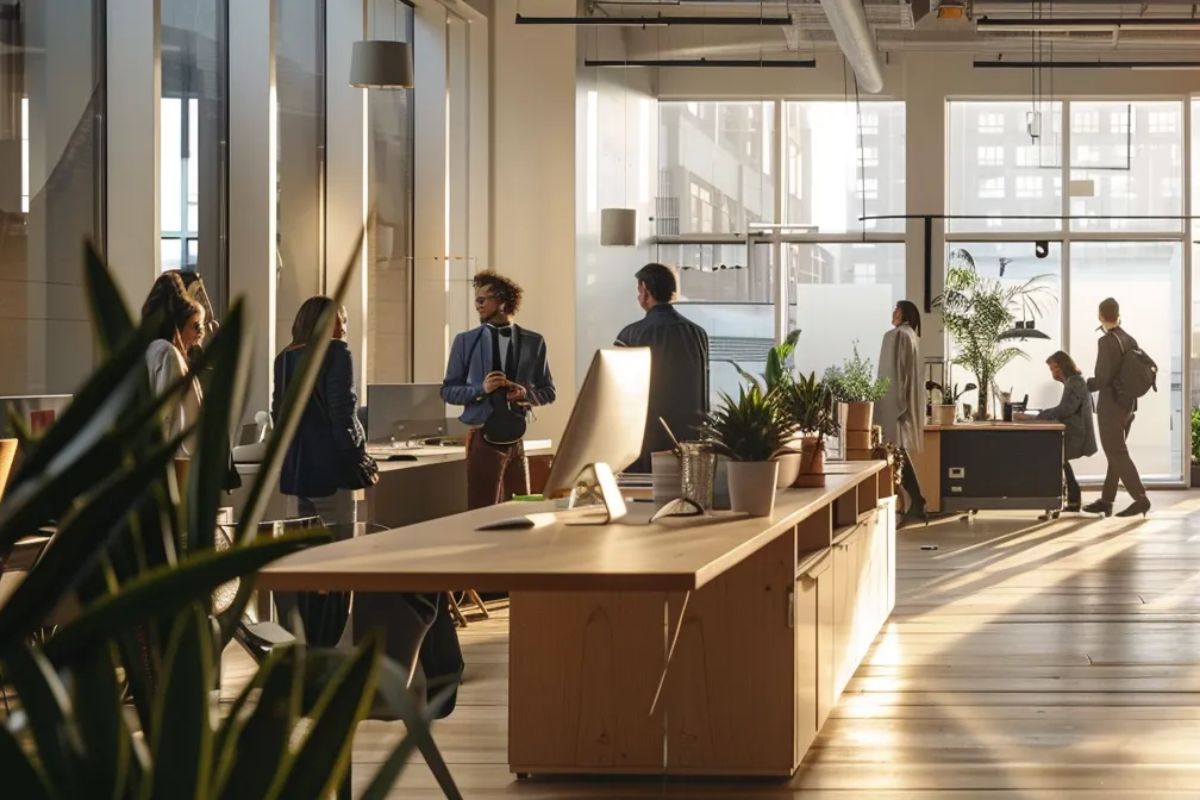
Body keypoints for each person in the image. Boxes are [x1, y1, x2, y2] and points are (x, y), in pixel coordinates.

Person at [442, 271, 556, 509]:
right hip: (482, 437)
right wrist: (480, 389)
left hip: (517, 437)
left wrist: (525, 394)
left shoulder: (534, 342)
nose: (477, 305)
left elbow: (549, 392)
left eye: (483, 300)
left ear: (503, 301)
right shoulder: (465, 341)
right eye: (476, 300)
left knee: (520, 508)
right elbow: (448, 390)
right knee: (482, 511)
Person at [272, 296, 376, 526]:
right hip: (332, 466)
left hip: (296, 469)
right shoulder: (336, 352)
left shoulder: (284, 358)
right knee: (339, 543)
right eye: (341, 321)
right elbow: (342, 411)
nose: (344, 328)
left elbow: (278, 414)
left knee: (303, 545)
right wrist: (356, 456)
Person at [614, 263, 709, 472]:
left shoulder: (631, 335)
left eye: (638, 291)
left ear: (645, 290)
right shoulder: (697, 334)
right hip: (690, 441)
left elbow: (617, 392)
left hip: (644, 440)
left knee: (645, 500)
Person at [1084, 297, 1150, 518]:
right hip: (1129, 405)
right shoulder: (1129, 339)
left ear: (1101, 315)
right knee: (1117, 451)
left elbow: (1102, 378)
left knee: (1116, 451)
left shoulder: (1107, 341)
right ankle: (1107, 500)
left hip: (1111, 405)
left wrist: (1085, 384)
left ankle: (1140, 498)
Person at [142, 272, 205, 462]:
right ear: (179, 323)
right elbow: (166, 418)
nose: (198, 335)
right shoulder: (167, 353)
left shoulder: (149, 350)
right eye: (195, 326)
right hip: (176, 463)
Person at [876, 300, 926, 521]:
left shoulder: (895, 336)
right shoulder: (911, 336)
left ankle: (914, 500)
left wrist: (890, 403)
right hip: (902, 404)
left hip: (892, 404)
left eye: (896, 309)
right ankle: (913, 501)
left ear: (904, 313)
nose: (893, 312)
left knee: (894, 453)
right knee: (899, 452)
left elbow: (891, 375)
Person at [1034, 351, 1097, 516]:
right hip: (1073, 430)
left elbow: (1066, 409)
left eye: (1053, 368)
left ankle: (1062, 500)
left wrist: (1040, 415)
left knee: (1056, 457)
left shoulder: (1074, 382)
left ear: (1061, 366)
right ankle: (1072, 499)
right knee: (1059, 459)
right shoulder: (1072, 381)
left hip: (1076, 433)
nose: (1052, 372)